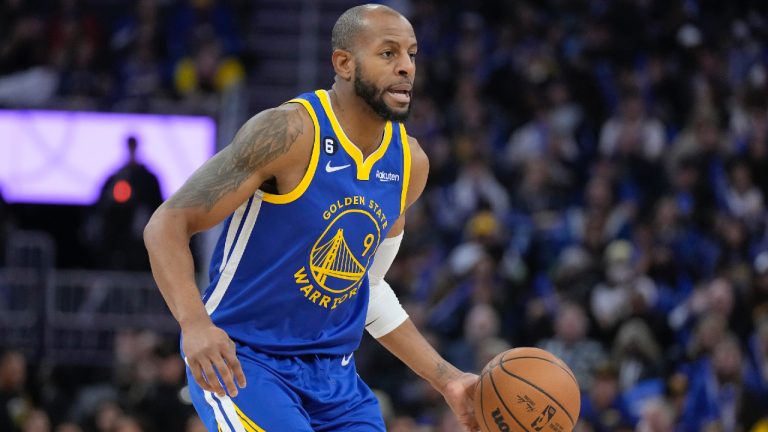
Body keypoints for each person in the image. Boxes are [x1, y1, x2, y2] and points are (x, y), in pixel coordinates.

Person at [143, 4, 479, 432]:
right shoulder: (287, 133)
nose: (406, 68)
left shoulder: (410, 163)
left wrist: (447, 379)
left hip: (335, 379)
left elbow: (368, 288)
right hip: (243, 362)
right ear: (343, 63)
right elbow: (166, 225)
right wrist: (194, 325)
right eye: (388, 53)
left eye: (412, 54)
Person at [93, 135, 162, 270]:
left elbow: (156, 205)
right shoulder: (115, 177)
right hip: (115, 237)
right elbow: (102, 206)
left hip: (139, 240)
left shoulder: (147, 178)